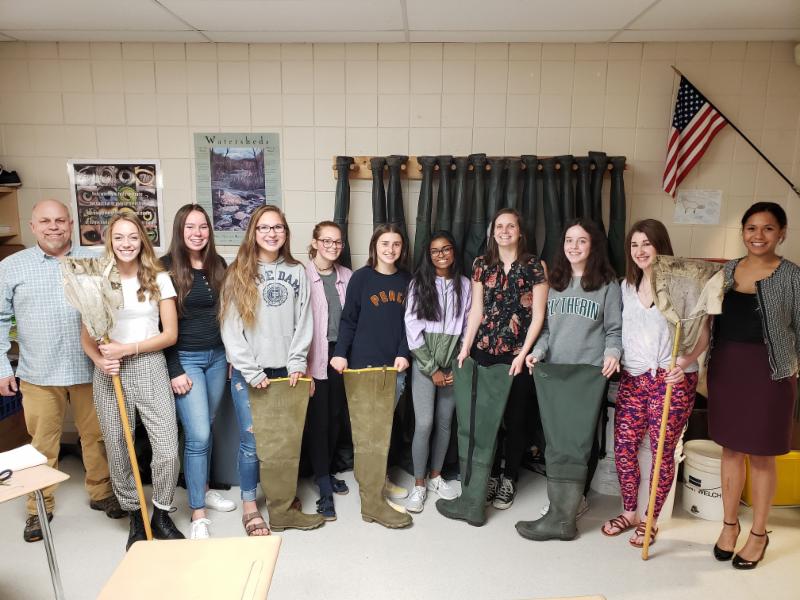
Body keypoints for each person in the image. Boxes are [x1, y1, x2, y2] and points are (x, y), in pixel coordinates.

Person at [0, 199, 122, 543]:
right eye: (45, 221)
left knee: (97, 437)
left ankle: (101, 492)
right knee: (42, 443)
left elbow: (112, 310)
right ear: (33, 226)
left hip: (89, 368)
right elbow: (0, 319)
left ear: (70, 224)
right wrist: (1, 368)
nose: (53, 227)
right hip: (39, 372)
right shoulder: (12, 266)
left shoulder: (94, 261)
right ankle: (38, 506)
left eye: (59, 221)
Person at [436, 208, 547, 526]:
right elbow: (477, 310)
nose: (505, 231)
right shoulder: (482, 264)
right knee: (487, 422)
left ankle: (509, 478)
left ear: (520, 231)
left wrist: (524, 353)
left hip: (518, 356)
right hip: (485, 352)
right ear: (492, 231)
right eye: (499, 226)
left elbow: (539, 315)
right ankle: (489, 479)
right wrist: (466, 346)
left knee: (516, 419)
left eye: (511, 226)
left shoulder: (535, 266)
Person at [601, 219, 708, 547]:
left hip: (671, 378)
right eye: (634, 245)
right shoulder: (625, 287)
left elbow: (703, 335)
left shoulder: (683, 287)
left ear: (660, 246)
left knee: (662, 452)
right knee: (623, 447)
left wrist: (684, 364)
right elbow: (618, 331)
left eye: (646, 243)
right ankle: (630, 512)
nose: (640, 250)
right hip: (634, 378)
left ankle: (650, 519)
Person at [81, 211, 183, 551]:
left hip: (149, 364)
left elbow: (170, 335)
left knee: (166, 448)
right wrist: (101, 360)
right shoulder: (96, 280)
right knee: (118, 447)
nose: (126, 243)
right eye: (119, 237)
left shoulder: (158, 278)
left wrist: (128, 348)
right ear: (110, 241)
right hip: (110, 371)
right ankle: (136, 516)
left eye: (133, 237)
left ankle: (162, 514)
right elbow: (86, 336)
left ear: (143, 241)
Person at [708, 202, 799, 570]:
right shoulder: (726, 272)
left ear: (782, 234)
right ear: (743, 232)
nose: (758, 235)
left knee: (762, 455)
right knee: (730, 450)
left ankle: (759, 534)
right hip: (727, 368)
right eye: (751, 228)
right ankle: (729, 526)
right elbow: (706, 321)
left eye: (768, 228)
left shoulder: (792, 276)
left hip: (771, 373)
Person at [518, 218, 622, 542]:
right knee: (557, 440)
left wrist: (613, 353)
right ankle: (560, 508)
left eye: (581, 240)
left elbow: (614, 330)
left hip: (588, 375)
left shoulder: (607, 284)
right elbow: (547, 330)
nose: (574, 246)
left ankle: (571, 508)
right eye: (568, 240)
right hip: (556, 373)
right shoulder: (556, 282)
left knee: (581, 441)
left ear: (593, 245)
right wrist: (537, 352)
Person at [220, 205, 321, 534]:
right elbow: (231, 330)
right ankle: (250, 506)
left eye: (277, 227)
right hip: (251, 374)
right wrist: (251, 371)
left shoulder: (297, 270)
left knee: (285, 441)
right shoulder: (238, 272)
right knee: (252, 442)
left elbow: (304, 321)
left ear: (285, 233)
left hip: (286, 372)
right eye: (264, 227)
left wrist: (297, 362)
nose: (271, 233)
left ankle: (282, 500)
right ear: (253, 232)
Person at [330, 224, 413, 528]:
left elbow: (412, 323)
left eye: (396, 244)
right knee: (367, 434)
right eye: (384, 243)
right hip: (362, 367)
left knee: (383, 429)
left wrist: (404, 353)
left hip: (394, 368)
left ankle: (379, 480)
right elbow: (348, 320)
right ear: (374, 246)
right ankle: (372, 501)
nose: (390, 249)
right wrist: (341, 352)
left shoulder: (408, 280)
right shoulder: (361, 278)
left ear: (402, 248)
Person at [161, 204, 233, 540]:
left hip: (218, 357)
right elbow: (159, 324)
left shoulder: (219, 265)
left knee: (209, 426)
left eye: (203, 226)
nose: (197, 233)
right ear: (180, 230)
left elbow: (228, 314)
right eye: (190, 227)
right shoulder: (164, 268)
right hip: (186, 359)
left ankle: (203, 489)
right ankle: (198, 513)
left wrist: (231, 355)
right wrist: (174, 369)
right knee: (198, 434)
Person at [404, 231, 471, 512]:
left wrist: (456, 363)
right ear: (428, 255)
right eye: (435, 251)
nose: (441, 255)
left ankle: (435, 477)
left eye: (446, 249)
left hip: (452, 364)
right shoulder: (418, 284)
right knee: (424, 423)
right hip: (425, 364)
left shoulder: (465, 285)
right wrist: (431, 368)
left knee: (445, 423)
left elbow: (467, 326)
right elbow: (412, 327)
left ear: (454, 252)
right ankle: (419, 485)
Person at [304, 221, 352, 521]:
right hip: (312, 356)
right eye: (327, 241)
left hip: (340, 356)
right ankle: (322, 483)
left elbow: (353, 319)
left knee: (336, 417)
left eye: (338, 242)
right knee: (318, 420)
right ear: (315, 242)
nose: (333, 246)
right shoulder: (301, 274)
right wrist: (303, 366)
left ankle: (327, 470)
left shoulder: (348, 276)